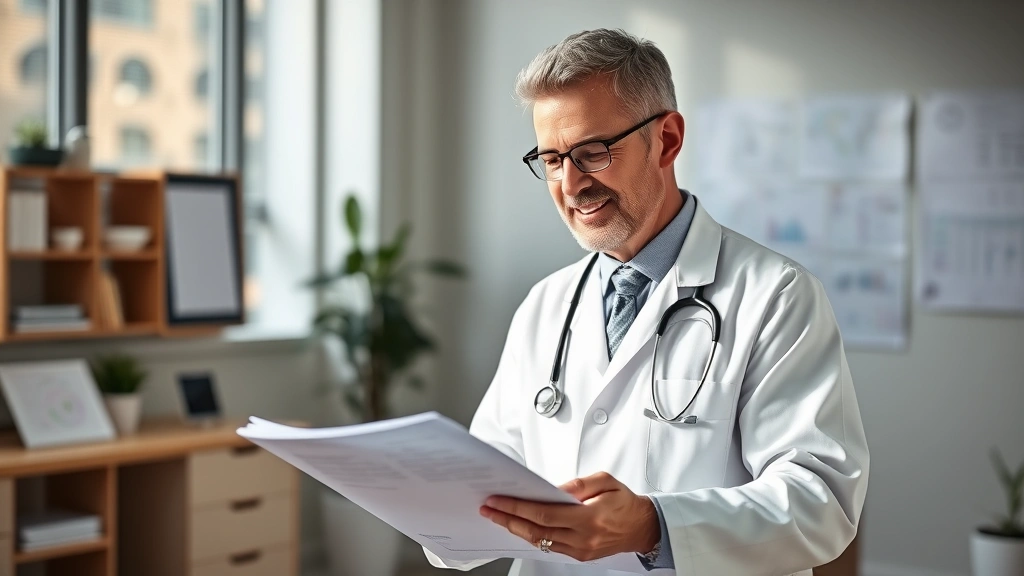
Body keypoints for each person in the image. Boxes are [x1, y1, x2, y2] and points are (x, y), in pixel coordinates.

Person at [425, 28, 869, 576]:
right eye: (552, 160)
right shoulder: (546, 305)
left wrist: (653, 525)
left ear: (667, 140)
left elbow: (821, 502)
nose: (570, 184)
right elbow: (488, 482)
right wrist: (427, 508)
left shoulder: (776, 295)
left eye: (592, 153)